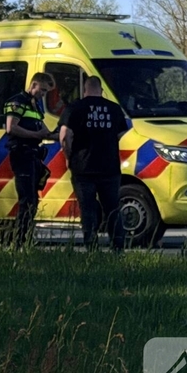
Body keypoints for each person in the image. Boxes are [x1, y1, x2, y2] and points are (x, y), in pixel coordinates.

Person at [59, 76, 129, 252]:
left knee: (88, 209)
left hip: (83, 167)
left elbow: (65, 136)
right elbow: (122, 135)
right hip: (109, 168)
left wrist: (68, 157)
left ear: (84, 90)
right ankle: (118, 247)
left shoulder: (75, 108)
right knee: (113, 208)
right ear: (101, 90)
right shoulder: (114, 109)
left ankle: (91, 247)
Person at [3, 72, 56, 247]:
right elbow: (11, 127)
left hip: (33, 155)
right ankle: (18, 242)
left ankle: (25, 239)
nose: (43, 94)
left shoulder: (35, 105)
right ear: (33, 85)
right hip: (22, 154)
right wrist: (36, 135)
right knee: (26, 200)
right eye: (42, 90)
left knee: (32, 199)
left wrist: (64, 133)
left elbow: (45, 131)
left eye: (45, 91)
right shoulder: (17, 101)